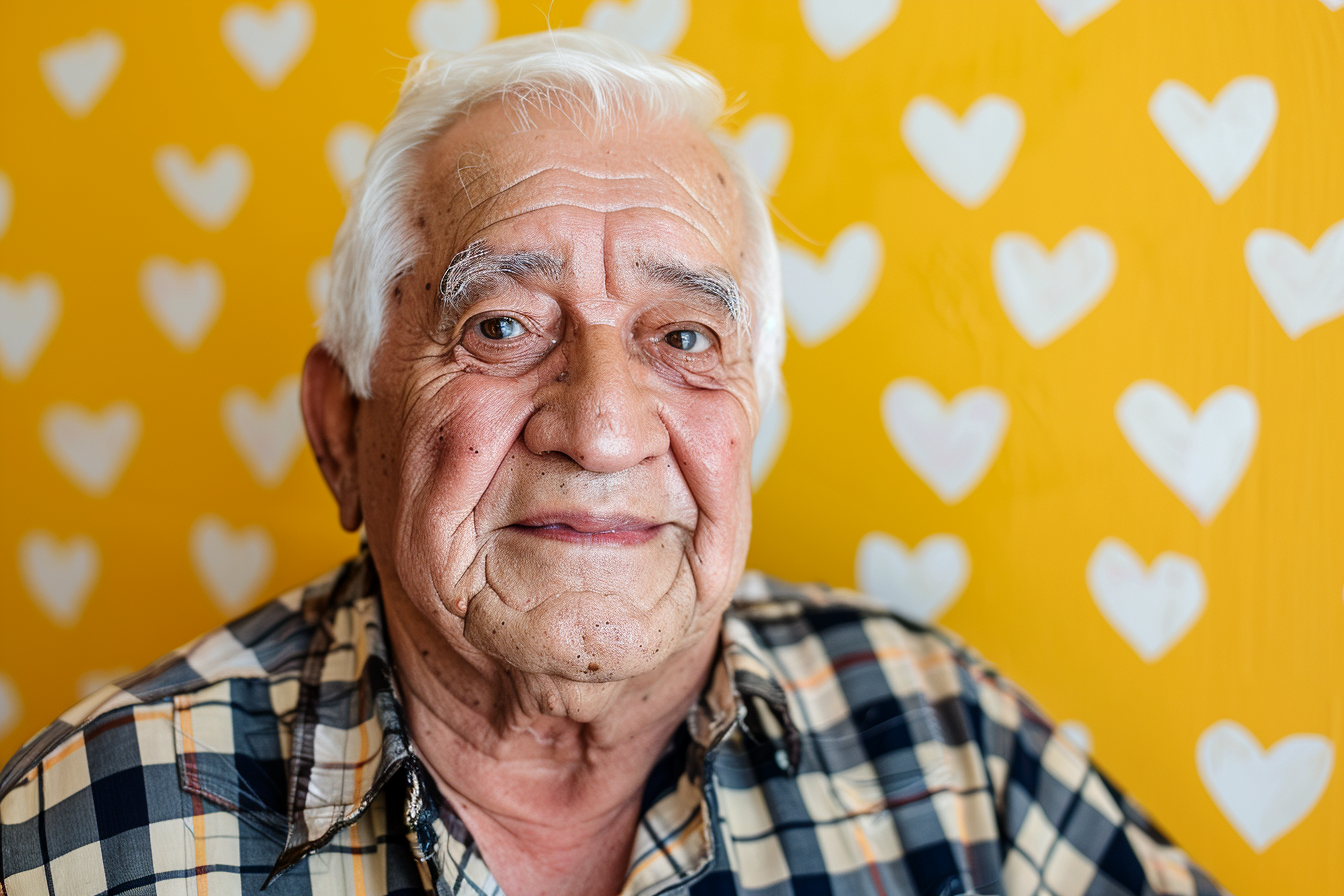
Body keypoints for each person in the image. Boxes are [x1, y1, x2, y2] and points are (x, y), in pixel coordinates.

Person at [0, 30, 1225, 896]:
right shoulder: (98, 821)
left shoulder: (944, 744)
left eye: (683, 338)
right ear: (341, 430)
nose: (601, 426)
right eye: (501, 327)